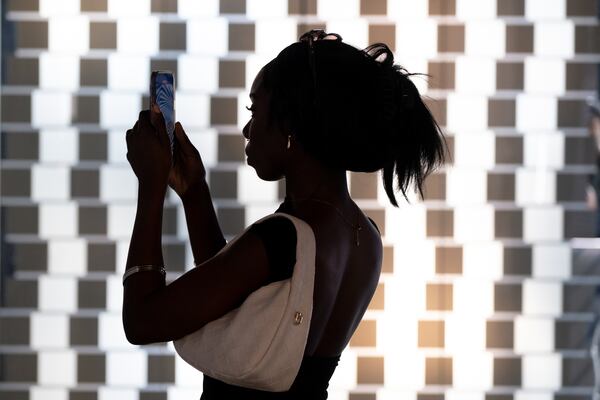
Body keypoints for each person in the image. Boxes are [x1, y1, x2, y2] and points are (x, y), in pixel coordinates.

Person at [122, 29, 449, 399]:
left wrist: (150, 186)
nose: (247, 129)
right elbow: (238, 300)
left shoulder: (283, 238)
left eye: (255, 110)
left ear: (290, 125)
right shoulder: (364, 235)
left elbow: (142, 321)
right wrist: (194, 191)